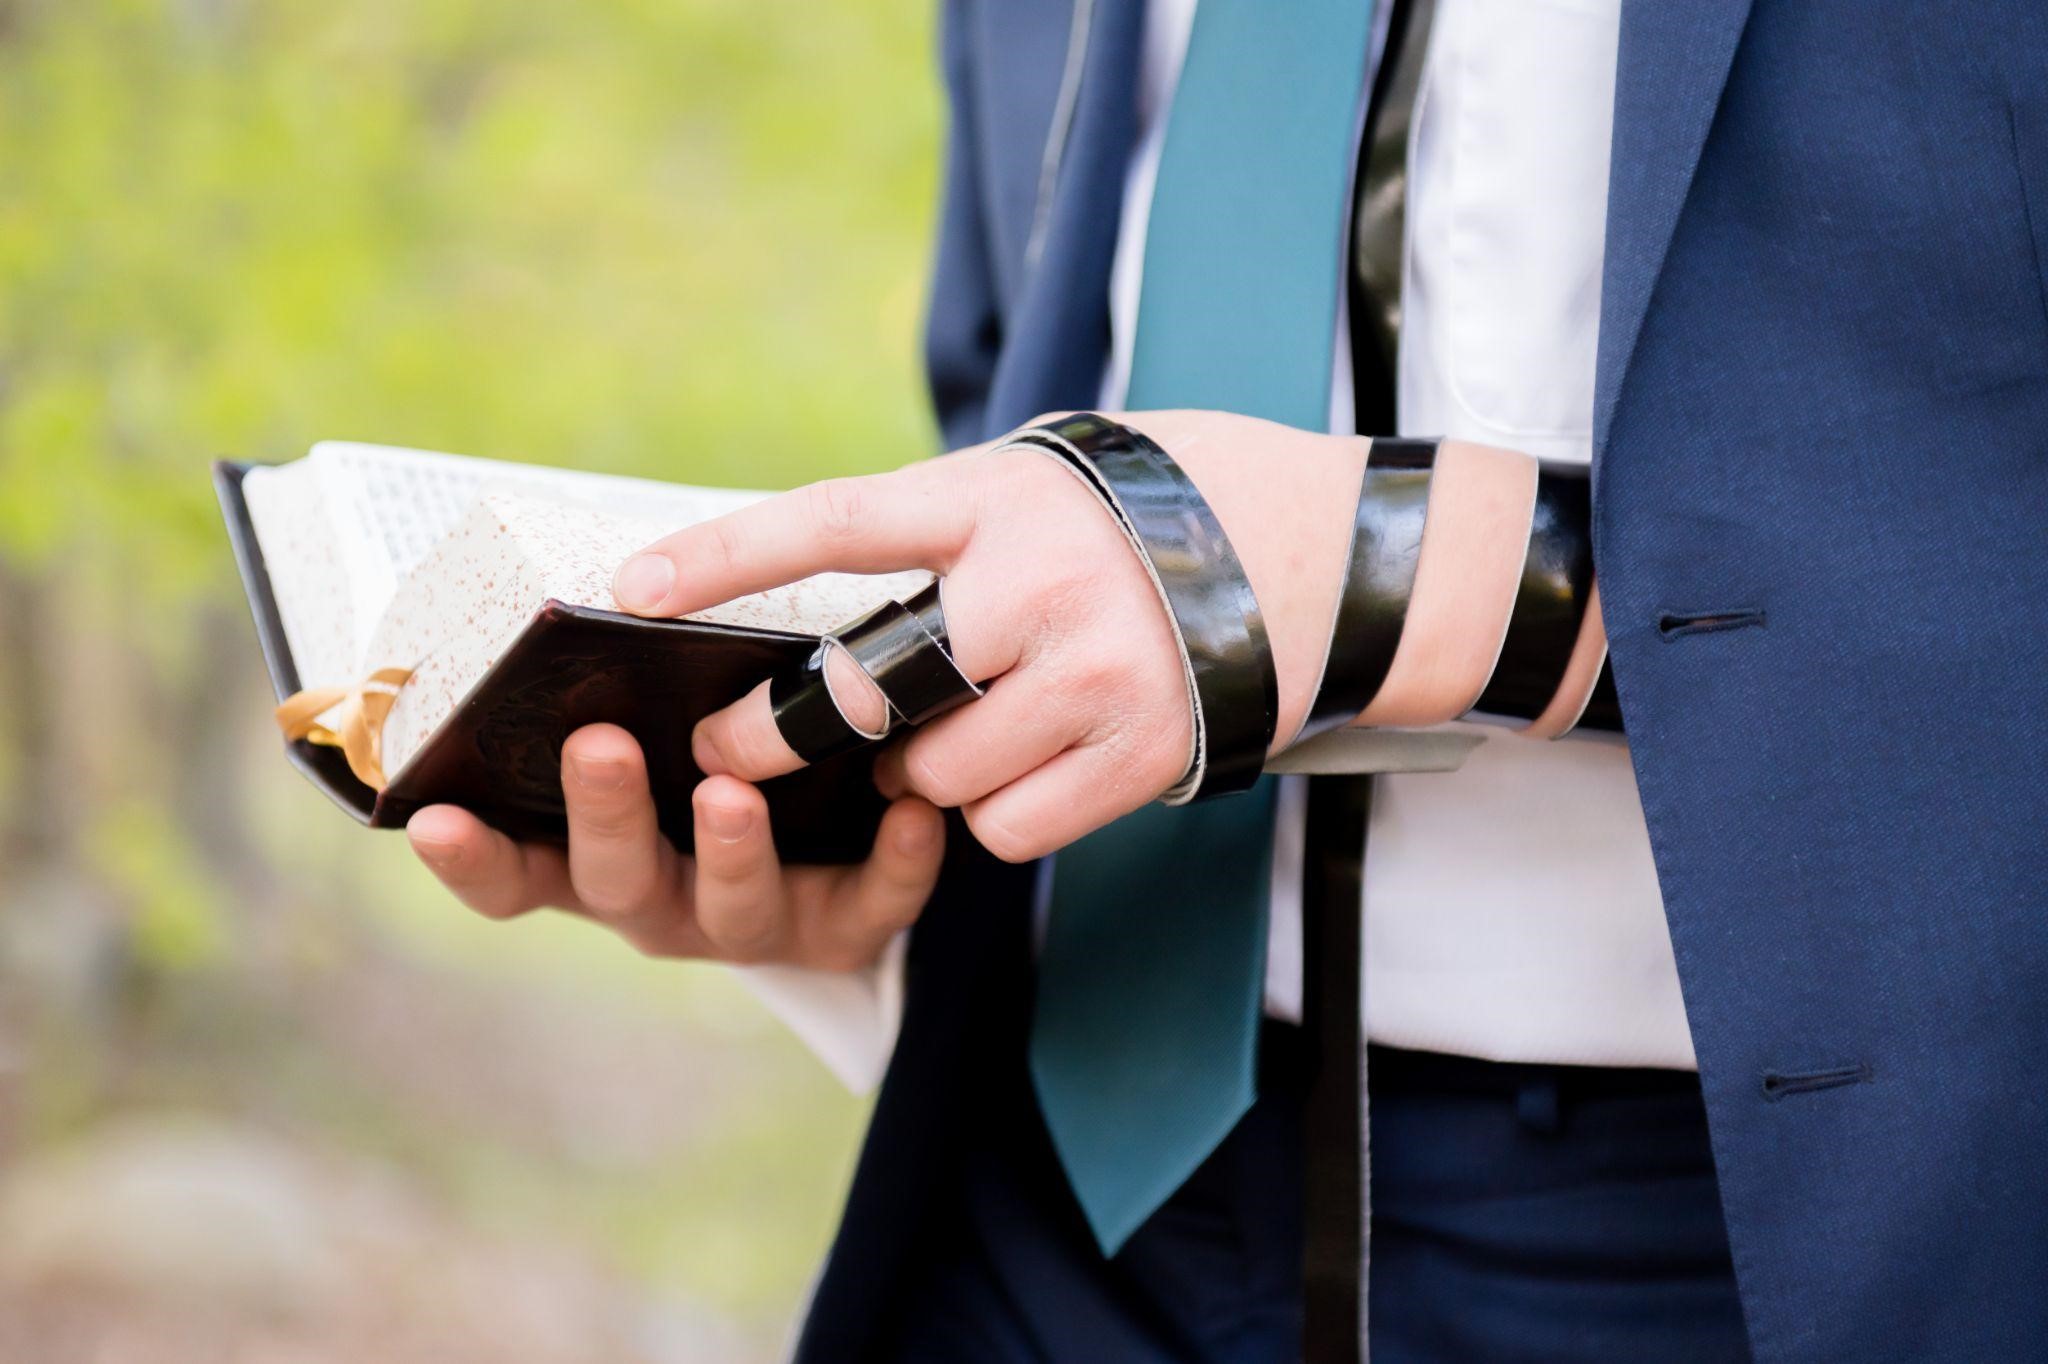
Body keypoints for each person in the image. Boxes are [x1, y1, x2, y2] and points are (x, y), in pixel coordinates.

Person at [403, 0, 2048, 1358]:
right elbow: (1013, 377)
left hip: (1762, 1235)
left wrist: (1411, 567)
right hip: (1045, 1194)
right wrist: (856, 837)